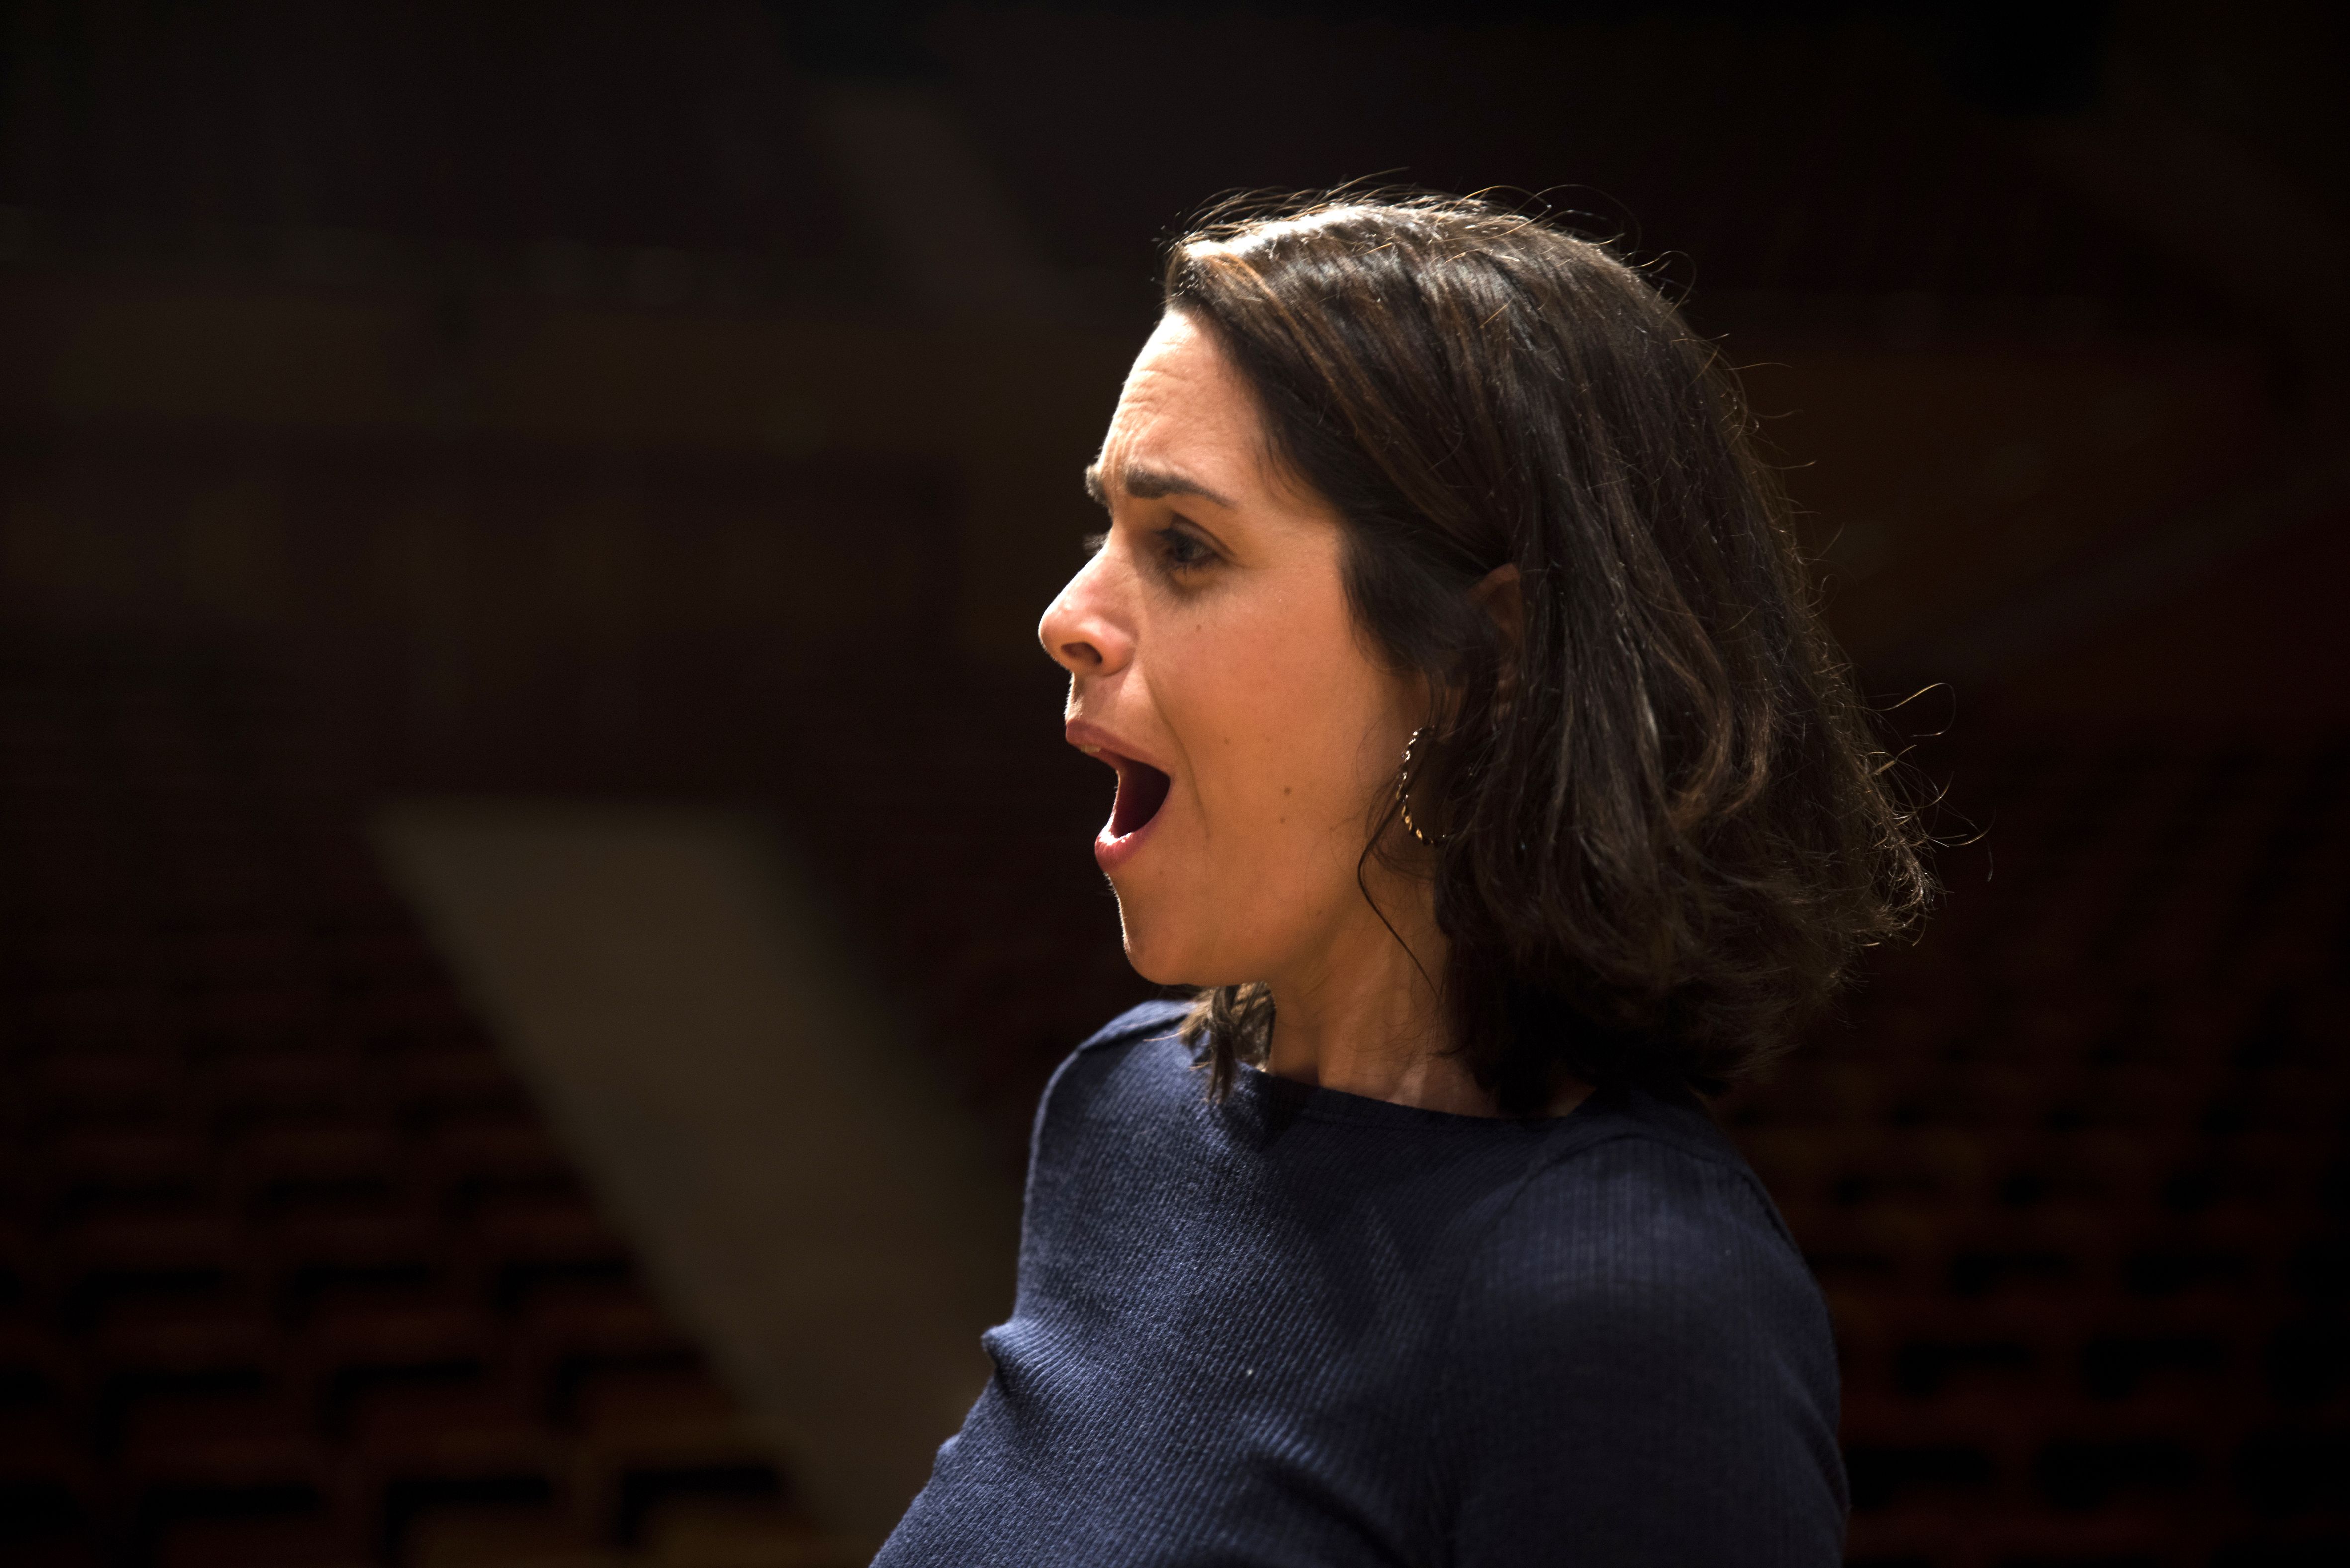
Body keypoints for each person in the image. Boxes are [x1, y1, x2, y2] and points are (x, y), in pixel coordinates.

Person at [872, 192, 1927, 1566]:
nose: (1066, 615)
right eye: (1105, 530)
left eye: (1182, 544)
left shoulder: (1632, 1309)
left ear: (1479, 663)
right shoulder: (1124, 1107)